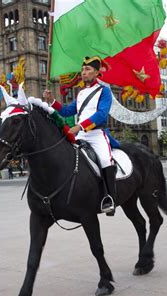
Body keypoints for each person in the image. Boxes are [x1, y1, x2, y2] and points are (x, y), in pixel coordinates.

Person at [43, 56, 118, 216]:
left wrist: (79, 126)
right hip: (81, 135)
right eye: (83, 69)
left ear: (97, 72)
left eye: (88, 69)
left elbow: (101, 114)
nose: (84, 73)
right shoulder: (81, 93)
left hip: (97, 134)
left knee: (105, 160)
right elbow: (67, 111)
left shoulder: (105, 91)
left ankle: (110, 199)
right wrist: (52, 101)